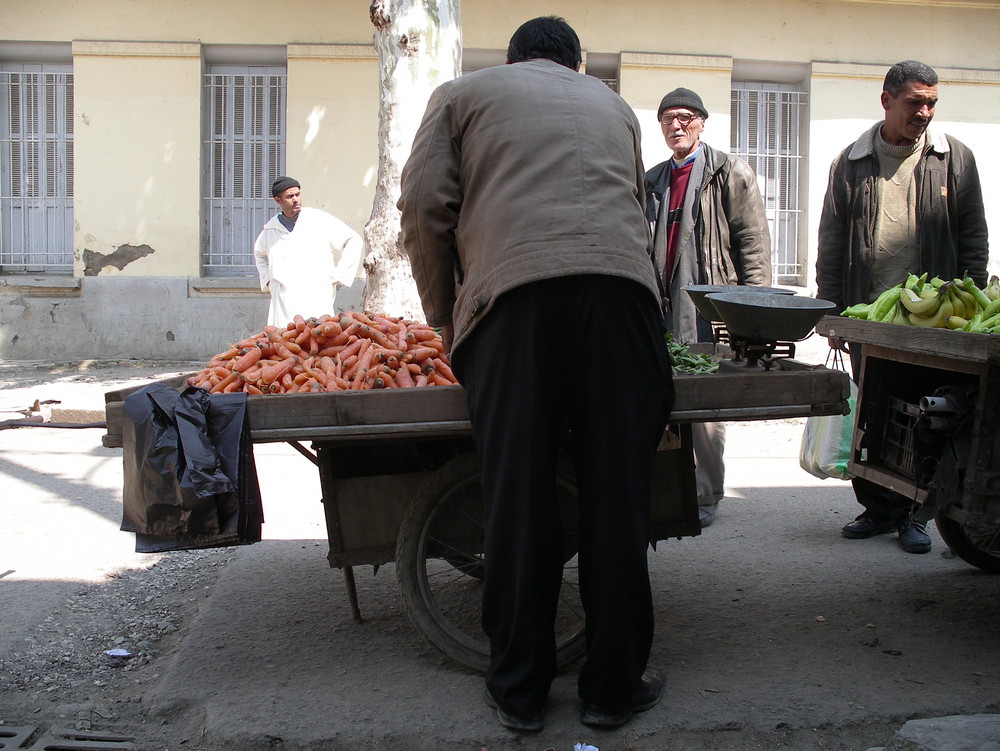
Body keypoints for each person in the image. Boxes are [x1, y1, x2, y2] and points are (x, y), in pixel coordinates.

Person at [398, 16, 674, 733]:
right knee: (618, 494)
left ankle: (520, 691)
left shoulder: (463, 93)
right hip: (623, 303)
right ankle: (612, 689)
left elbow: (425, 203)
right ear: (574, 64)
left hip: (513, 305)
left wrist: (445, 315)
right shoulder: (613, 105)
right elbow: (633, 216)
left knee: (519, 493)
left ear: (514, 59)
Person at [817, 60, 989, 554]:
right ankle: (878, 508)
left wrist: (970, 308)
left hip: (931, 318)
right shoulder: (850, 163)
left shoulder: (954, 159)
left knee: (923, 414)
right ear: (887, 100)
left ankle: (915, 514)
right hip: (870, 315)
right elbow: (832, 242)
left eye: (932, 102)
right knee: (871, 412)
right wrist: (832, 312)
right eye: (915, 101)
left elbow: (973, 237)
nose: (925, 112)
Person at [644, 87, 772, 528]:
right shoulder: (654, 179)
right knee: (662, 400)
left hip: (710, 306)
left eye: (684, 117)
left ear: (702, 122)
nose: (676, 125)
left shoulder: (728, 172)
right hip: (661, 304)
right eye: (667, 119)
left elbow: (752, 244)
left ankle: (706, 494)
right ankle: (667, 490)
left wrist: (755, 313)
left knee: (706, 410)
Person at [253, 176, 363, 328]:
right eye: (290, 196)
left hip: (315, 295)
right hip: (284, 300)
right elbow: (260, 254)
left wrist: (340, 274)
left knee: (318, 339)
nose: (296, 199)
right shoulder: (271, 230)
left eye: (298, 194)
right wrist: (268, 281)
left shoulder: (317, 219)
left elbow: (353, 240)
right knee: (285, 341)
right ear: (278, 201)